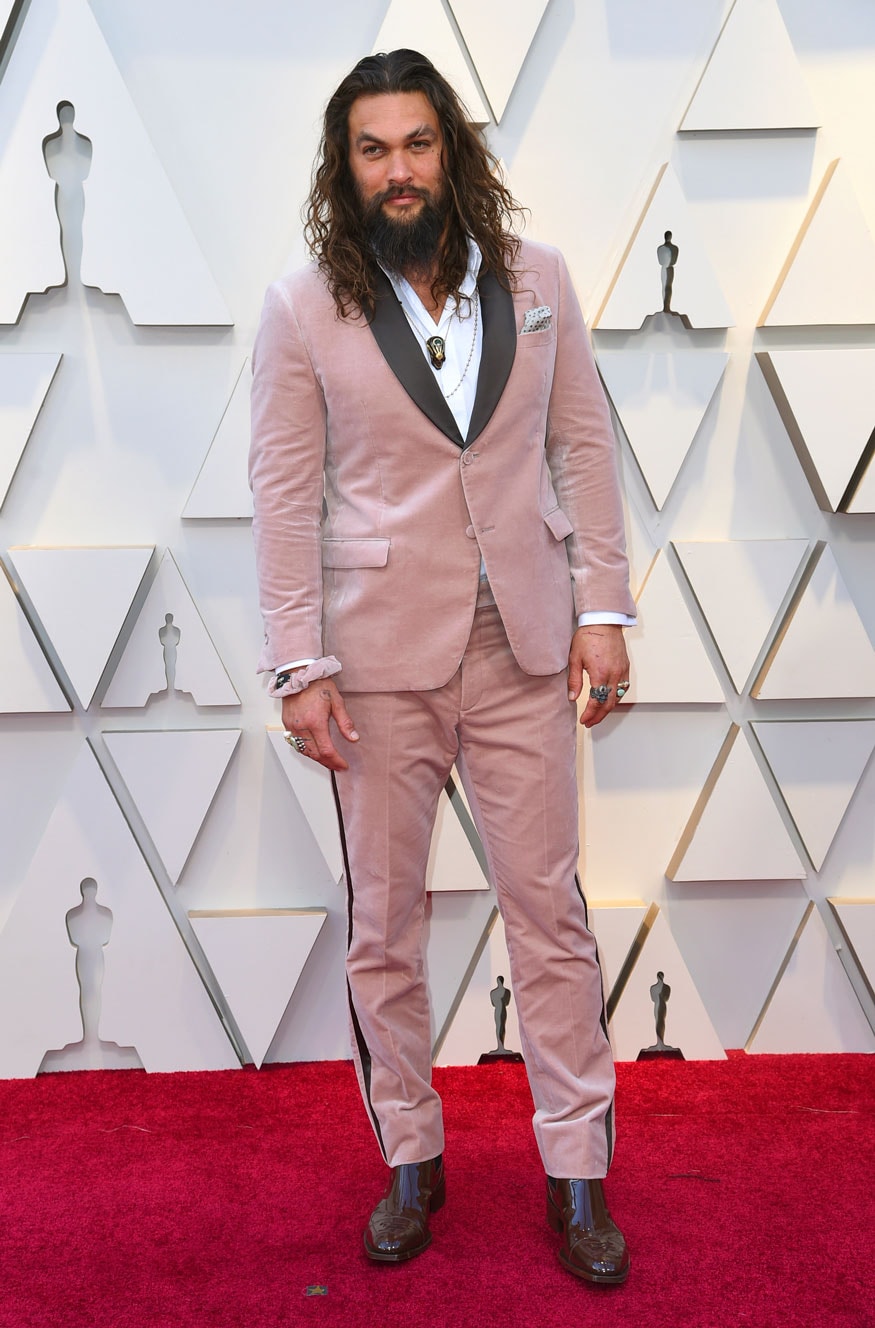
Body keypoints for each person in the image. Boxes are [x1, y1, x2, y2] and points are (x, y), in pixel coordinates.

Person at [249, 49, 635, 1284]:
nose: (398, 169)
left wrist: (604, 607)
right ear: (344, 166)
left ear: (449, 151)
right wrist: (299, 663)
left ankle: (576, 1174)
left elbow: (581, 448)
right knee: (384, 929)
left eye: (417, 144)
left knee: (552, 921)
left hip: (521, 644)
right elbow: (280, 496)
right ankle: (411, 1156)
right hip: (372, 665)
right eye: (373, 150)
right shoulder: (305, 304)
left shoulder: (540, 281)